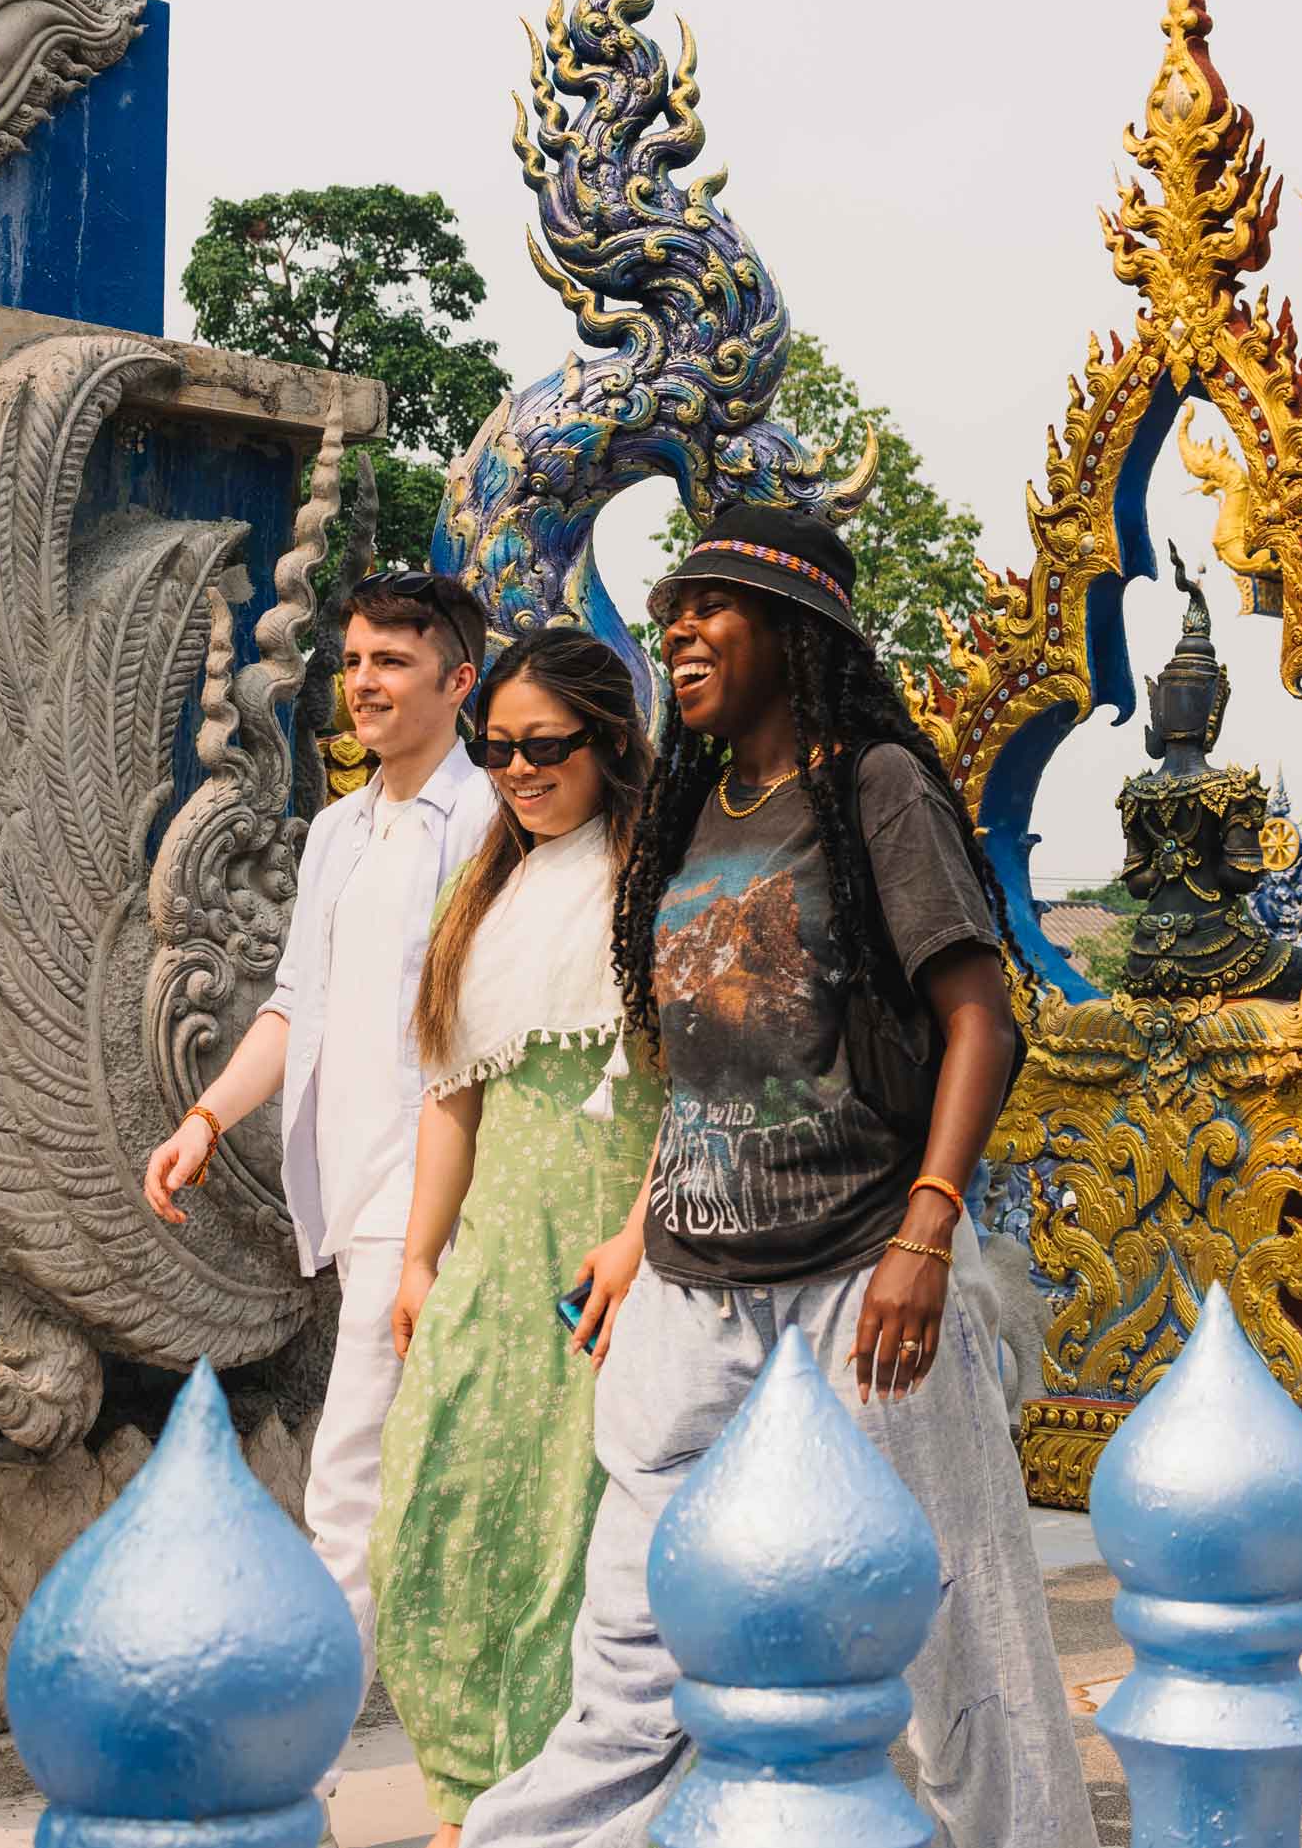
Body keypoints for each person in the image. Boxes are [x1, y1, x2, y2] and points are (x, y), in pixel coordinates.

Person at [460, 504, 1101, 1848]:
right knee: (634, 1654)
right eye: (671, 606)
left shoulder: (874, 787)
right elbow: (701, 1066)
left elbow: (982, 1020)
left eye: (710, 606)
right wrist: (639, 1236)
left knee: (953, 1632)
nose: (677, 629)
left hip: (859, 1271)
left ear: (794, 625)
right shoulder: (693, 808)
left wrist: (925, 1237)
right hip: (691, 1288)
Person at [145, 567, 493, 1680]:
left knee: (348, 1479)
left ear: (459, 679)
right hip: (354, 1198)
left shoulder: (490, 820)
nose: (365, 683)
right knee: (414, 1477)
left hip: (434, 1195)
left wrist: (433, 1238)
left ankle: (315, 1769)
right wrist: (205, 1115)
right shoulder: (340, 828)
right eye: (353, 661)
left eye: (392, 660)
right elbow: (298, 999)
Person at [373, 631, 668, 1846]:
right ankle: (463, 1793)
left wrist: (643, 1239)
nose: (516, 772)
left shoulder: (660, 881)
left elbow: (706, 1088)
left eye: (545, 748)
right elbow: (454, 1093)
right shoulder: (480, 891)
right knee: (433, 1509)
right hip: (492, 1252)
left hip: (617, 1262)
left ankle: (557, 1806)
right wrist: (417, 1256)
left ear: (611, 741)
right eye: (497, 750)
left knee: (574, 1536)